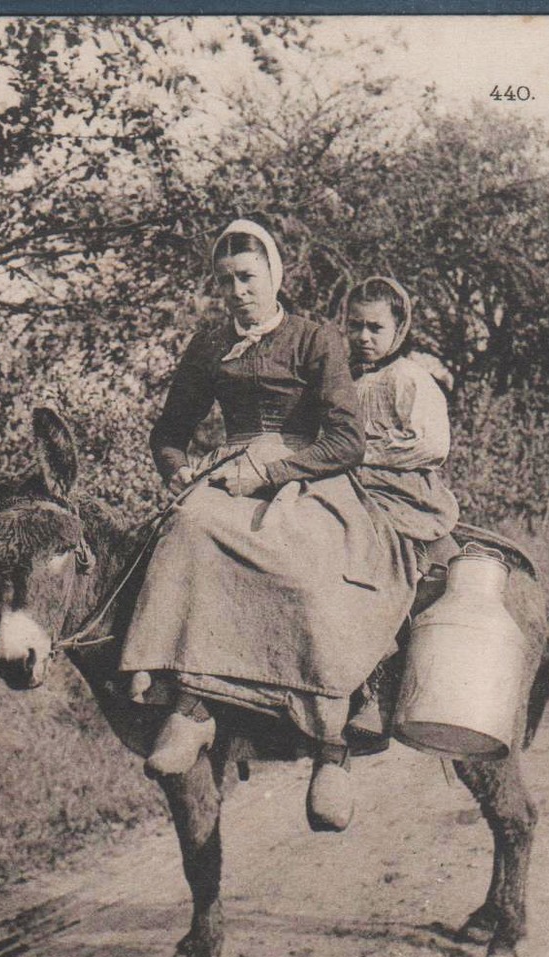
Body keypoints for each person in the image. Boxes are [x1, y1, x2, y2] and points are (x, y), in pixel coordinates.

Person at [119, 221, 416, 832]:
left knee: (306, 568)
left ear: (275, 276)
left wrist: (274, 473)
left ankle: (332, 738)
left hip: (308, 473)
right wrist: (176, 470)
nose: (237, 292)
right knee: (186, 530)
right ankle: (192, 704)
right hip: (232, 469)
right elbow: (169, 433)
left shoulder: (315, 339)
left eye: (247, 278)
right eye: (225, 281)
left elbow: (347, 440)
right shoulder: (208, 345)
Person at [340, 276, 462, 742]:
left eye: (375, 328)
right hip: (348, 484)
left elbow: (431, 445)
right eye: (355, 326)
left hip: (400, 490)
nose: (364, 338)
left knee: (379, 555)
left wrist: (363, 453)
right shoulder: (346, 379)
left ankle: (379, 681)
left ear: (399, 329)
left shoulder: (409, 378)